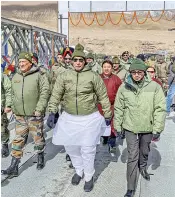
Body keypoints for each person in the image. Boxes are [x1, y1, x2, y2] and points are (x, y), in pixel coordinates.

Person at [47, 43, 112, 192]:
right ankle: (78, 170)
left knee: (87, 148)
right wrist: (52, 112)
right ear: (71, 61)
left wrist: (108, 114)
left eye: (80, 60)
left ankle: (88, 176)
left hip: (89, 118)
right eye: (75, 60)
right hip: (69, 117)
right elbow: (56, 94)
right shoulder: (64, 76)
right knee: (71, 147)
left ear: (84, 61)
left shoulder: (93, 76)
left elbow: (103, 96)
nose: (77, 62)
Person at [114, 58, 166, 197]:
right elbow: (119, 108)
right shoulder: (124, 87)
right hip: (130, 126)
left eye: (139, 72)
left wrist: (157, 128)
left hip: (147, 126)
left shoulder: (154, 87)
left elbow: (160, 108)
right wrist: (118, 126)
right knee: (132, 156)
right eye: (134, 72)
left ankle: (143, 167)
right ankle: (130, 187)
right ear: (130, 73)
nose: (137, 75)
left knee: (144, 151)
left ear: (144, 73)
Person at [1, 52, 50, 178]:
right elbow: (11, 93)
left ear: (30, 63)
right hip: (20, 115)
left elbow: (45, 92)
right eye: (20, 62)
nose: (21, 64)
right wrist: (10, 106)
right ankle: (14, 166)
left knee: (37, 138)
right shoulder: (16, 76)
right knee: (18, 139)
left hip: (34, 114)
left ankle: (40, 156)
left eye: (24, 62)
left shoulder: (39, 75)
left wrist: (39, 108)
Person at [97, 60, 122, 152]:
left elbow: (120, 93)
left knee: (112, 125)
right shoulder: (97, 78)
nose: (106, 69)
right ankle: (104, 138)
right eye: (105, 67)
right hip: (100, 106)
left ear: (112, 68)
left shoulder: (116, 79)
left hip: (112, 106)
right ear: (102, 68)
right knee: (102, 124)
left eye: (108, 67)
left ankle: (112, 143)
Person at [1, 73, 12, 157]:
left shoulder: (2, 75)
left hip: (1, 107)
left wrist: (8, 105)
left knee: (2, 129)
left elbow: (9, 90)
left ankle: (4, 143)